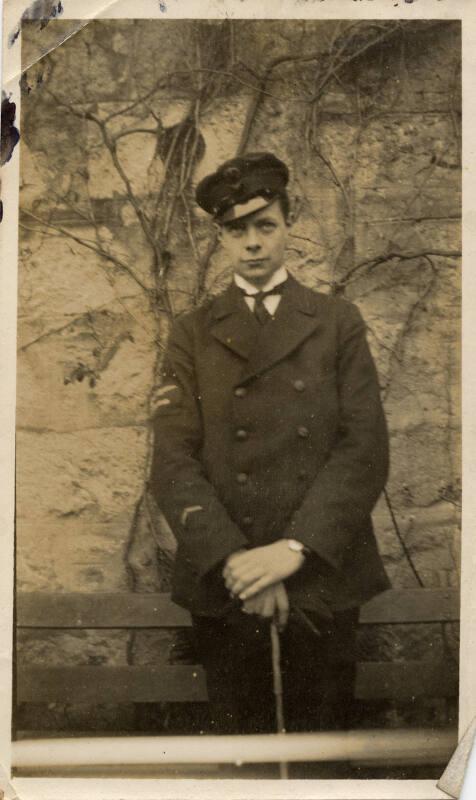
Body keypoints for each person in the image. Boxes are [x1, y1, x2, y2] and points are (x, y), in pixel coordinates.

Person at [149, 152, 390, 736]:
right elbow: (173, 460)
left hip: (321, 569)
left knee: (325, 748)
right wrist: (240, 562)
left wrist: (292, 552)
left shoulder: (337, 321)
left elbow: (364, 448)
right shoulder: (191, 332)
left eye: (265, 225)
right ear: (222, 238)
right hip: (226, 577)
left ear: (288, 226)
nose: (252, 243)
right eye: (237, 230)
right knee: (240, 750)